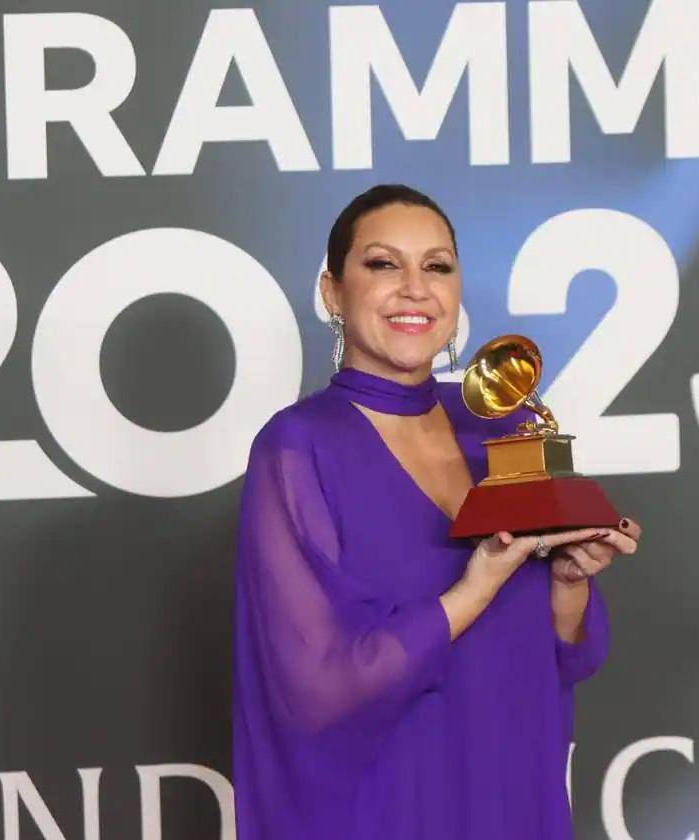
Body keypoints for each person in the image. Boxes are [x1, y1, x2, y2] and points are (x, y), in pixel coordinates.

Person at [231, 184, 641, 839]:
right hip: (390, 803)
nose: (415, 288)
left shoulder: (499, 425)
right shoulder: (299, 446)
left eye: (438, 266)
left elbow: (567, 661)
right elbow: (315, 688)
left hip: (513, 789)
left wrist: (568, 582)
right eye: (384, 264)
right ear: (333, 292)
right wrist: (471, 591)